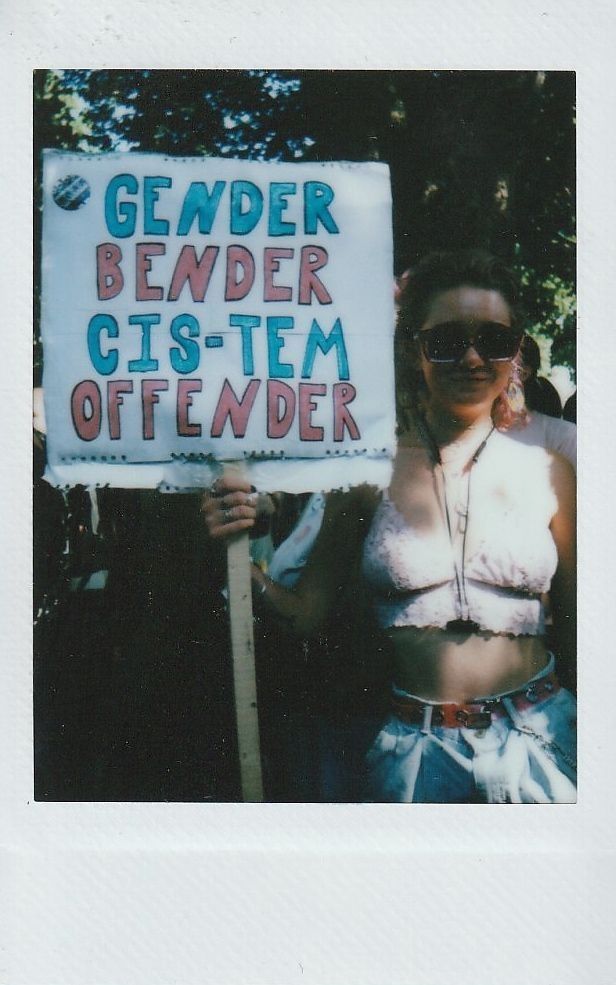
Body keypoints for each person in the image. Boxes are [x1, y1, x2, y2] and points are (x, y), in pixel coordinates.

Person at [202, 249, 577, 804]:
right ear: (413, 350)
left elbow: (588, 621)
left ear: (516, 351)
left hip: (543, 735)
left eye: (494, 341)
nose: (472, 358)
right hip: (417, 753)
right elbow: (305, 614)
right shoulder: (365, 474)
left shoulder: (550, 467)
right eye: (446, 342)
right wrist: (235, 555)